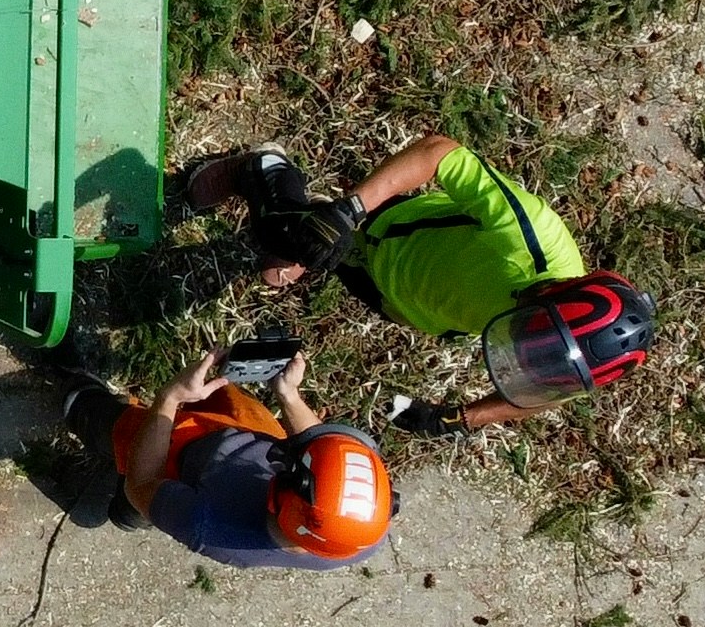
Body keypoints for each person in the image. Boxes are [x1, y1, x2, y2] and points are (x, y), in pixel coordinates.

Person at [178, 133, 655, 434]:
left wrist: (465, 418)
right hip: (388, 231)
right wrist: (351, 211)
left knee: (294, 261)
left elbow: (538, 396)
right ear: (552, 293)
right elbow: (439, 152)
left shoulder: (572, 362)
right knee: (282, 239)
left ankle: (317, 237)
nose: (520, 347)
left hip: (402, 303)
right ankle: (263, 167)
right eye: (529, 335)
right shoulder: (529, 233)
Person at [65, 350, 391, 571]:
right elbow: (317, 446)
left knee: (102, 424)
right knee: (224, 393)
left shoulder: (208, 525)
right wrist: (288, 394)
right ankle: (135, 515)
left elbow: (142, 483)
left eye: (288, 462)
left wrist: (170, 398)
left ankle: (76, 391)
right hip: (244, 434)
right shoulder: (360, 534)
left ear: (278, 496)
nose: (284, 455)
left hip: (181, 460)